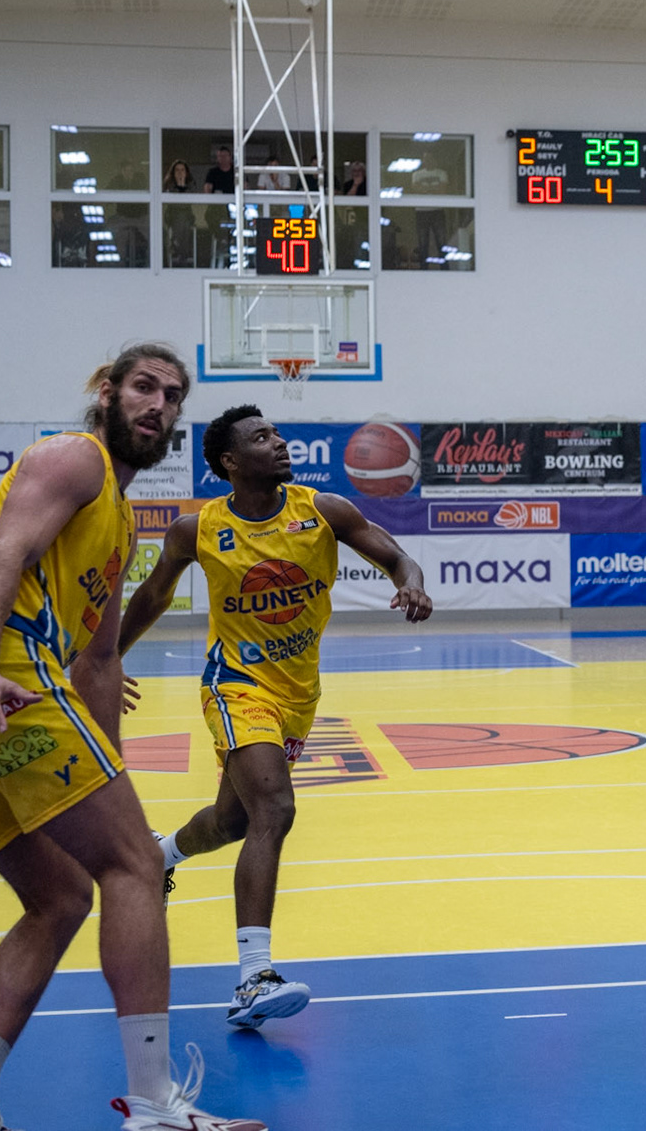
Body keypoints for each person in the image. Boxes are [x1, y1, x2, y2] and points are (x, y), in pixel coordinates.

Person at [0, 345, 265, 1131]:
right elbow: (4, 553)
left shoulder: (118, 525)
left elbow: (102, 659)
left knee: (59, 898)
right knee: (136, 866)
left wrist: (110, 770)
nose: (159, 404)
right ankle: (153, 1102)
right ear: (107, 392)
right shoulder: (74, 458)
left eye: (173, 396)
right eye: (144, 387)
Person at [118, 406, 432, 1031]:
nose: (280, 443)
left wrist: (413, 583)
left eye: (279, 433)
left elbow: (397, 557)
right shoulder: (197, 530)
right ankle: (254, 976)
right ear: (231, 462)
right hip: (235, 684)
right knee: (276, 809)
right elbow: (153, 595)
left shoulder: (324, 510)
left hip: (298, 694)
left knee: (233, 821)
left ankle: (159, 856)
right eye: (262, 437)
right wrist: (104, 660)